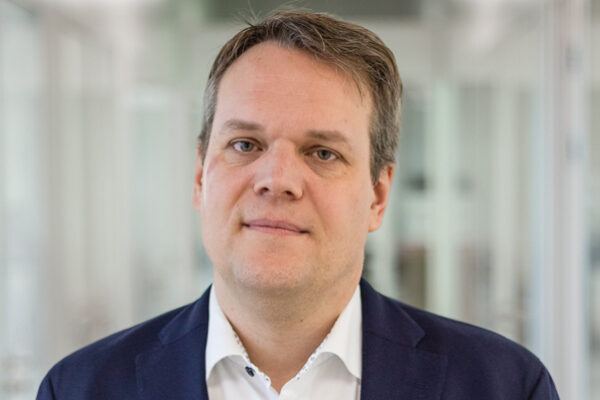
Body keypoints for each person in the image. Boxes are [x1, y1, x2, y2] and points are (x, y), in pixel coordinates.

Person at [37, 11, 559, 400]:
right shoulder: (80, 389)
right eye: (245, 144)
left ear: (378, 196)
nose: (277, 180)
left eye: (323, 152)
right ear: (200, 176)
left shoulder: (505, 386)